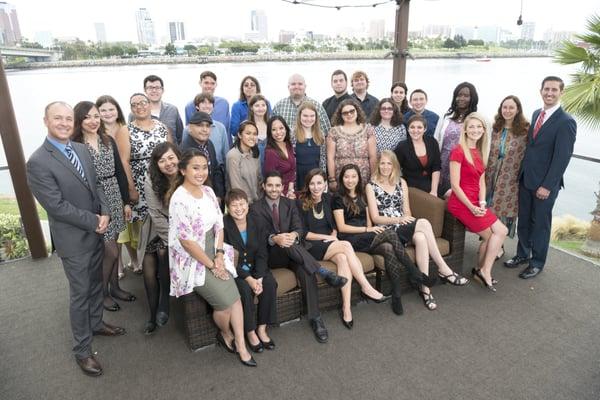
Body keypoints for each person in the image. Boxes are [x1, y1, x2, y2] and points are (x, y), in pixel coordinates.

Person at [27, 101, 125, 377]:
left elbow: (97, 188)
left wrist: (105, 210)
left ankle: (96, 324)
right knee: (80, 294)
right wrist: (95, 221)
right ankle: (83, 350)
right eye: (57, 118)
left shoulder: (81, 149)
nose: (64, 123)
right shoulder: (37, 162)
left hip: (96, 232)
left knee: (96, 284)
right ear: (45, 120)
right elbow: (56, 207)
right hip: (74, 241)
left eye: (68, 119)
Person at [168, 149, 256, 367]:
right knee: (225, 303)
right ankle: (226, 334)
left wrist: (218, 255)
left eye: (204, 167)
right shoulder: (179, 199)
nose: (201, 172)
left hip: (214, 249)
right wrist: (211, 265)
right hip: (192, 257)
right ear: (183, 170)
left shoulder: (208, 191)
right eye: (195, 168)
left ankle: (241, 345)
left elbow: (219, 225)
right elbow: (187, 242)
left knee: (235, 298)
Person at [249, 171, 347, 343]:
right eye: (270, 185)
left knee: (306, 271)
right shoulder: (255, 208)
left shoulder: (290, 203)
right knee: (285, 242)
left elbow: (300, 228)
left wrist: (293, 235)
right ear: (263, 186)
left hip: (294, 254)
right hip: (272, 255)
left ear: (282, 187)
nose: (274, 189)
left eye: (277, 185)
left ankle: (316, 319)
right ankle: (323, 271)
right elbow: (257, 236)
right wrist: (274, 238)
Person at [366, 151, 469, 310]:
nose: (386, 167)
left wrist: (406, 219)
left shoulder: (401, 183)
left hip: (403, 224)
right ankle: (443, 268)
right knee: (423, 223)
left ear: (394, 166)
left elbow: (407, 210)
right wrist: (399, 220)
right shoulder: (371, 186)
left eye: (389, 163)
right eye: (382, 163)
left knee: (421, 237)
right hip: (388, 229)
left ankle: (425, 289)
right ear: (378, 165)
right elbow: (375, 218)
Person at [332, 164, 436, 315]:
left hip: (366, 237)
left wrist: (369, 229)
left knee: (388, 249)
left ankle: (397, 295)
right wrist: (368, 230)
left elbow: (368, 221)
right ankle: (416, 274)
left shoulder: (361, 194)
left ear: (358, 178)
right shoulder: (337, 197)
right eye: (346, 177)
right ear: (342, 179)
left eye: (353, 176)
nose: (350, 180)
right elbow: (341, 227)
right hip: (351, 239)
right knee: (390, 234)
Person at [504, 76, 577, 279]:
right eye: (547, 89)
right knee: (525, 221)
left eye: (554, 90)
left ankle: (537, 262)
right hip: (527, 179)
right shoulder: (537, 114)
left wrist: (547, 185)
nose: (550, 93)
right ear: (541, 90)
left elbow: (562, 159)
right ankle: (522, 255)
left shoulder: (566, 122)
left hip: (545, 184)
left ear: (561, 92)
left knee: (541, 224)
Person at [298, 169, 386, 328]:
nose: (316, 187)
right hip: (312, 245)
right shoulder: (300, 202)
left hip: (330, 243)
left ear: (325, 184)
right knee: (345, 245)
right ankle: (366, 286)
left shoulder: (328, 198)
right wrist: (328, 238)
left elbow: (334, 225)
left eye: (319, 183)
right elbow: (302, 233)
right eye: (312, 183)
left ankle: (346, 308)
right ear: (307, 185)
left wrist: (333, 234)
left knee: (343, 258)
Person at [71, 101, 136, 313]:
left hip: (115, 195)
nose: (93, 121)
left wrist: (126, 201)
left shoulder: (107, 140)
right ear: (79, 120)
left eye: (96, 116)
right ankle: (102, 293)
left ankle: (115, 288)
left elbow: (119, 171)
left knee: (116, 245)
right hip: (95, 201)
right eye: (88, 117)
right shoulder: (76, 146)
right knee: (110, 252)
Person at [447, 113, 508, 291]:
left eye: (479, 127)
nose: (475, 130)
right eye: (471, 127)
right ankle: (483, 271)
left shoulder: (480, 151)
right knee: (492, 235)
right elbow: (455, 186)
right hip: (461, 202)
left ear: (484, 130)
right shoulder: (458, 151)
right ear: (465, 130)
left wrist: (481, 203)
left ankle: (482, 269)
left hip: (476, 201)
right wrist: (472, 207)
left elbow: (481, 181)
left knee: (500, 232)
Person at [115, 93, 171, 275]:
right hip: (139, 183)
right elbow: (123, 161)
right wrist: (130, 188)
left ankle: (166, 263)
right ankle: (146, 264)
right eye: (134, 104)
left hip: (162, 182)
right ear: (131, 109)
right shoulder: (125, 130)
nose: (139, 106)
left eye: (143, 102)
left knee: (163, 220)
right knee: (143, 227)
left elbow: (172, 156)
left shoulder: (162, 127)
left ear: (149, 104)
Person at [224, 189, 277, 353]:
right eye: (234, 205)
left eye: (242, 204)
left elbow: (262, 252)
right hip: (235, 270)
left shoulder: (257, 221)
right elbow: (227, 259)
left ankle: (262, 328)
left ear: (248, 205)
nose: (239, 208)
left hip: (256, 267)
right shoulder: (223, 226)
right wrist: (249, 279)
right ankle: (250, 332)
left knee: (269, 283)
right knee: (245, 291)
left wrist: (259, 277)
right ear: (227, 208)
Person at [139, 142, 180, 334]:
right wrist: (170, 239)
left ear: (178, 157)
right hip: (158, 227)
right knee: (149, 264)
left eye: (171, 157)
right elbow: (155, 214)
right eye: (162, 161)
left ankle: (165, 300)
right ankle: (152, 315)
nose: (168, 163)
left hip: (184, 227)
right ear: (156, 165)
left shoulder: (187, 172)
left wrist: (178, 239)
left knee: (163, 253)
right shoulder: (151, 179)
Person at [485, 95, 529, 253]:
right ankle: (488, 241)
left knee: (502, 211)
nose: (507, 111)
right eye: (505, 107)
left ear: (518, 110)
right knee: (488, 208)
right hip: (490, 175)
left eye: (511, 107)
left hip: (510, 177)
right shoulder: (495, 127)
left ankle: (498, 246)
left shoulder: (525, 130)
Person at [96, 95, 131, 279]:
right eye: (103, 110)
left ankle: (133, 261)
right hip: (105, 187)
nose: (108, 113)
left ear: (117, 110)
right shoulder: (97, 134)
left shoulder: (126, 128)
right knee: (112, 233)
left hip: (126, 182)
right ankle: (117, 266)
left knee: (127, 227)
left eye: (111, 109)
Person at [434, 82, 479, 196]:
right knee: (439, 196)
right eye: (459, 95)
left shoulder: (475, 119)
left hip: (461, 166)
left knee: (456, 197)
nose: (461, 98)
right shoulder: (446, 117)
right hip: (442, 164)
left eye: (466, 95)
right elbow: (436, 139)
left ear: (472, 98)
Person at [327, 99, 377, 191]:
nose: (349, 114)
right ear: (340, 115)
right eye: (345, 113)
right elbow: (330, 158)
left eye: (352, 111)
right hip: (342, 177)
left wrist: (374, 178)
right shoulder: (334, 131)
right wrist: (332, 179)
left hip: (363, 176)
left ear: (357, 111)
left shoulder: (368, 129)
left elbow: (373, 156)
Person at [180, 111, 226, 203]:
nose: (205, 129)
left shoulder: (209, 144)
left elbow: (216, 170)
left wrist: (218, 195)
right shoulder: (184, 150)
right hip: (194, 200)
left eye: (208, 126)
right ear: (189, 128)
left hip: (212, 197)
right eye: (200, 125)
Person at [394, 115, 441, 196]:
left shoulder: (432, 142)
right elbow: (395, 168)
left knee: (450, 194)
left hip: (433, 182)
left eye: (419, 127)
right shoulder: (402, 146)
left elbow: (436, 167)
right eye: (412, 127)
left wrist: (434, 191)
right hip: (412, 185)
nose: (415, 130)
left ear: (425, 129)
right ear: (408, 129)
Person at [185, 93, 229, 168]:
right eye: (203, 103)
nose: (207, 106)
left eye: (210, 103)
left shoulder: (220, 127)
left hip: (217, 170)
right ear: (197, 106)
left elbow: (225, 153)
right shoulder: (188, 129)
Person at [136, 75, 183, 145]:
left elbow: (180, 136)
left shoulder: (173, 110)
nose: (154, 91)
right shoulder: (136, 113)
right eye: (150, 88)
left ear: (162, 90)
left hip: (172, 153)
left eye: (157, 88)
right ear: (145, 90)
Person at [226, 121, 262, 203]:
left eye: (255, 134)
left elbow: (259, 180)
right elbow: (235, 186)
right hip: (241, 203)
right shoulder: (233, 156)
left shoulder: (255, 153)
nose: (252, 137)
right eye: (248, 133)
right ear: (239, 135)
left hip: (256, 202)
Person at [293, 101, 327, 188]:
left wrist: (323, 179)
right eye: (305, 116)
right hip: (298, 177)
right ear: (299, 116)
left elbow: (322, 160)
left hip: (315, 177)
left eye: (312, 116)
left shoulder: (320, 135)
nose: (308, 119)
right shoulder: (292, 134)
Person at [184, 71, 230, 136]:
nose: (209, 86)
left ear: (216, 84)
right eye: (206, 83)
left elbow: (227, 130)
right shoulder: (190, 106)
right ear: (200, 83)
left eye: (212, 83)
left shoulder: (224, 104)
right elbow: (188, 131)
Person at [264, 116, 296, 198]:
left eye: (281, 128)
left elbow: (292, 171)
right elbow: (270, 180)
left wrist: (290, 191)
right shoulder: (271, 153)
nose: (278, 132)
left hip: (290, 192)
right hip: (277, 194)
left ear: (286, 129)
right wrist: (283, 197)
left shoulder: (288, 145)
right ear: (270, 133)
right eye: (274, 130)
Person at [247, 94, 271, 164]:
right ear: (251, 107)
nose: (261, 108)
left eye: (263, 105)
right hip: (253, 163)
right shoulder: (246, 126)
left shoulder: (271, 124)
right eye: (257, 106)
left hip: (269, 162)